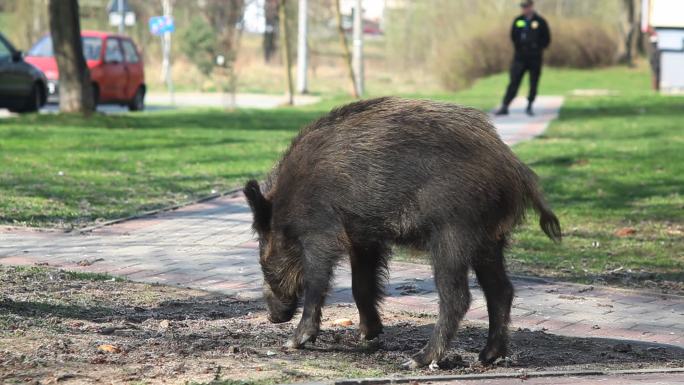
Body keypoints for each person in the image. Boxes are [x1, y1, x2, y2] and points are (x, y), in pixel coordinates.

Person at [496, 0, 550, 116]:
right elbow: (513, 35)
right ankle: (505, 105)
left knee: (533, 82)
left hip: (535, 58)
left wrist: (537, 47)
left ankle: (530, 105)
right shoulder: (518, 20)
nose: (524, 8)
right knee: (514, 81)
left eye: (526, 6)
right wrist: (520, 46)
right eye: (522, 6)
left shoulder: (539, 21)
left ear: (531, 6)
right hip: (520, 57)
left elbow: (546, 38)